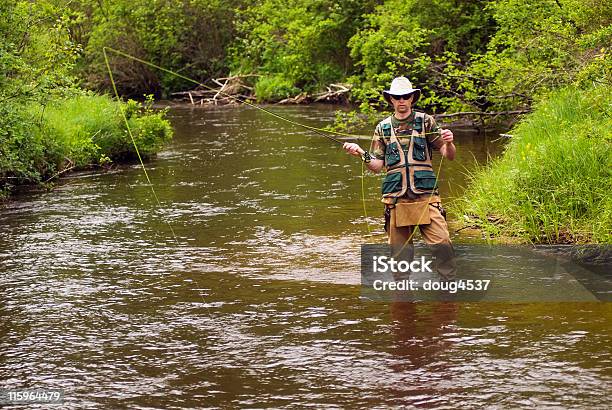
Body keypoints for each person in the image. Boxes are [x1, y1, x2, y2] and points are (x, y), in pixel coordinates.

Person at [343, 76, 456, 279]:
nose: (402, 100)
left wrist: (449, 142)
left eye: (405, 96)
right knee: (400, 258)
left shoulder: (426, 121)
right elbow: (377, 166)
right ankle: (403, 301)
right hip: (396, 198)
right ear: (391, 100)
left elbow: (449, 156)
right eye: (397, 97)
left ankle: (447, 295)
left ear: (412, 98)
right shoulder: (382, 128)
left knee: (443, 245)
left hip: (426, 197)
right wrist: (361, 153)